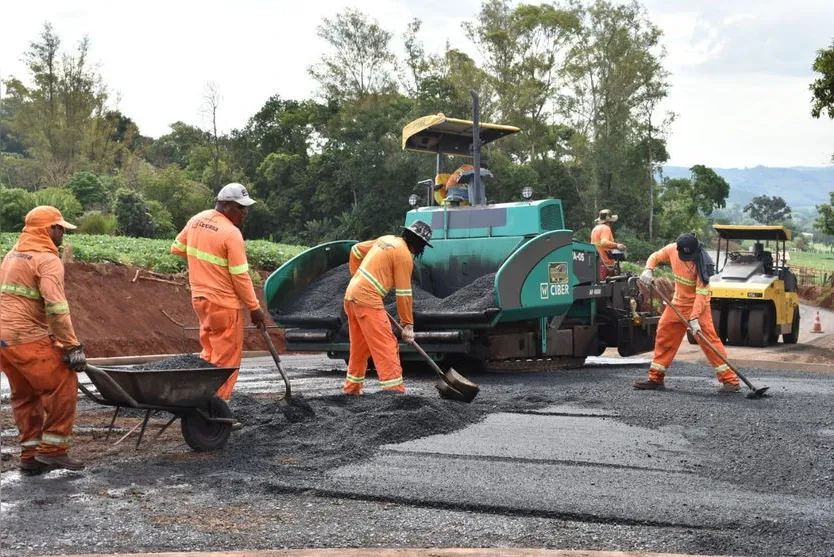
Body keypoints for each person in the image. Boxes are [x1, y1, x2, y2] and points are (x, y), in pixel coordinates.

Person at [0, 206, 87, 472]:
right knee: (63, 382)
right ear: (47, 230)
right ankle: (53, 450)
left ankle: (30, 457)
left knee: (25, 394)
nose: (62, 233)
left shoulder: (12, 255)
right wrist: (72, 346)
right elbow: (56, 308)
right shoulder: (47, 260)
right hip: (24, 336)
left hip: (4, 341)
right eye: (59, 228)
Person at [171, 183, 266, 402]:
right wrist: (254, 308)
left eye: (246, 207)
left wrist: (203, 263)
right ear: (224, 205)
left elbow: (177, 247)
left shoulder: (197, 220)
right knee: (226, 360)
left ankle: (199, 399)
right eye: (240, 207)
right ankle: (215, 409)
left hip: (200, 300)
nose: (245, 212)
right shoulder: (231, 233)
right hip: (224, 305)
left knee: (209, 354)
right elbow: (241, 277)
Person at [635, 233, 741, 393]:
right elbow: (655, 257)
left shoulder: (703, 264)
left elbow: (701, 294)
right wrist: (648, 269)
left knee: (709, 341)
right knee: (664, 334)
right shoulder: (672, 249)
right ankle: (655, 378)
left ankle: (730, 381)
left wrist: (695, 318)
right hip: (677, 303)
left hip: (698, 306)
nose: (687, 258)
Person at [343, 220, 434, 395]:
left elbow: (355, 250)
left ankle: (352, 390)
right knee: (387, 345)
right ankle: (395, 394)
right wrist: (407, 325)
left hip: (351, 295)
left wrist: (356, 276)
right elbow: (404, 294)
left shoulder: (385, 239)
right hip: (367, 299)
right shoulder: (404, 256)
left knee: (360, 347)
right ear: (420, 244)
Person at [590, 209, 626, 279]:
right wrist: (617, 246)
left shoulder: (595, 229)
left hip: (596, 263)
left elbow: (597, 244)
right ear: (609, 221)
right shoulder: (606, 228)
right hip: (605, 263)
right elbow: (604, 242)